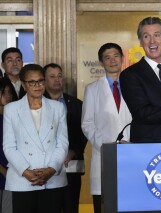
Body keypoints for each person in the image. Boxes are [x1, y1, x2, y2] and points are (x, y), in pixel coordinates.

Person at [3, 64, 68, 213]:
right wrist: (27, 172)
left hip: (52, 178)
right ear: (24, 85)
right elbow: (9, 146)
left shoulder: (57, 108)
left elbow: (62, 142)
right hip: (21, 180)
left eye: (40, 81)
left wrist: (51, 169)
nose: (37, 85)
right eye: (32, 82)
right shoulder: (11, 109)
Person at [81, 43, 132, 213]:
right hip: (104, 153)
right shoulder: (92, 89)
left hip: (131, 151)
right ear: (101, 62)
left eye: (115, 56)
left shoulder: (134, 86)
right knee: (105, 204)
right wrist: (106, 145)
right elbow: (87, 123)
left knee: (131, 200)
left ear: (122, 59)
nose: (112, 60)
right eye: (107, 58)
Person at [43, 63, 87, 213]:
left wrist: (73, 150)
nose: (57, 79)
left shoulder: (77, 104)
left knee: (71, 206)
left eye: (59, 76)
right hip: (45, 165)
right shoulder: (37, 104)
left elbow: (83, 132)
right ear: (44, 80)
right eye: (52, 76)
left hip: (71, 164)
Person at [0, 79, 13, 213]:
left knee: (8, 209)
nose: (8, 96)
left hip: (11, 176)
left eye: (9, 92)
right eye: (4, 92)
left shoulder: (10, 117)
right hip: (4, 174)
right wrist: (3, 171)